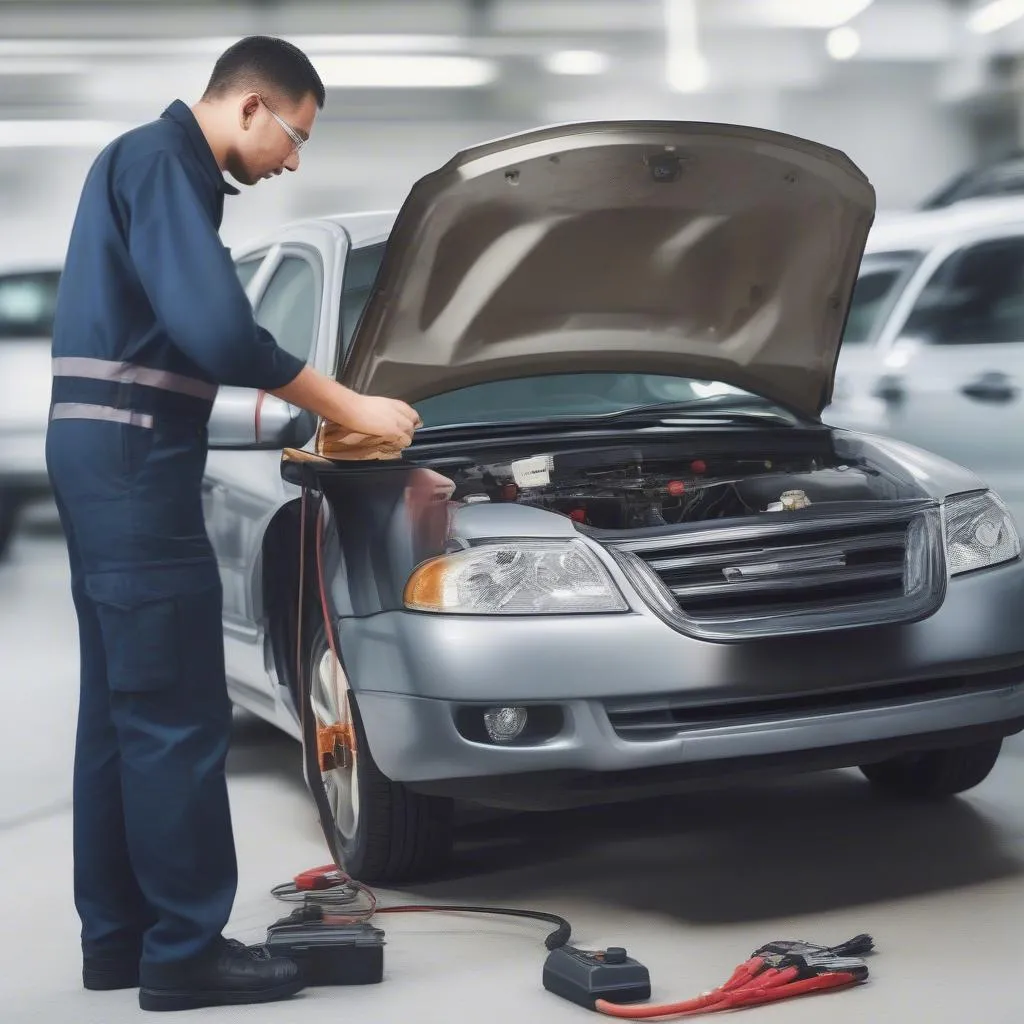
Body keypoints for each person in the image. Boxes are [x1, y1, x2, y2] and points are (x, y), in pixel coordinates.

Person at [45, 36, 420, 1013]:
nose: (294, 158)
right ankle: (186, 952)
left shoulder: (134, 164)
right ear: (251, 107)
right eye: (297, 133)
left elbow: (178, 340)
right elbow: (218, 331)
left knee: (121, 717)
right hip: (134, 469)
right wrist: (345, 406)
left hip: (99, 460)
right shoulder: (167, 164)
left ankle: (119, 941)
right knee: (175, 712)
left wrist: (302, 415)